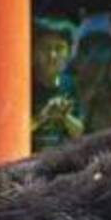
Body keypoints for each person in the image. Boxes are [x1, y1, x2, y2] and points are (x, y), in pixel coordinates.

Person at [31, 19, 83, 151]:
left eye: (59, 48)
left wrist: (64, 116)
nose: (52, 55)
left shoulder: (71, 84)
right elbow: (14, 131)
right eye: (46, 48)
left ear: (69, 53)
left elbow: (79, 132)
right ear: (34, 51)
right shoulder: (25, 85)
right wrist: (43, 116)